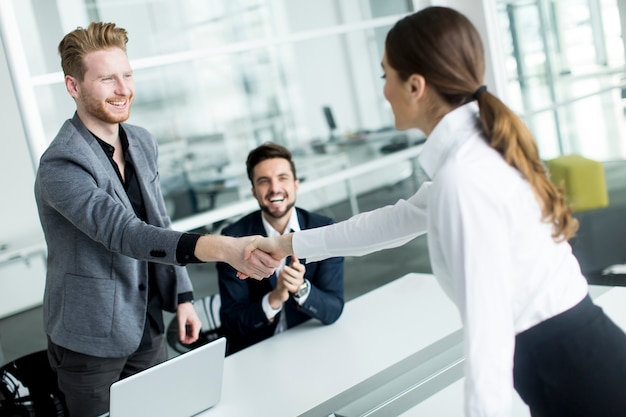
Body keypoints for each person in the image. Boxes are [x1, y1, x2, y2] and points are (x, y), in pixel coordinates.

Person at [246, 7, 626, 417]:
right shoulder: (470, 157)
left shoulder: (464, 177)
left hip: (575, 376)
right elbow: (390, 223)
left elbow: (489, 331)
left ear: (415, 86)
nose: (384, 90)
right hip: (570, 362)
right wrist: (287, 243)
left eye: (385, 75)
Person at [34, 22, 277, 417]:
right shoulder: (61, 163)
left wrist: (182, 298)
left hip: (145, 321)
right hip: (90, 336)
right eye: (107, 78)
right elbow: (123, 232)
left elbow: (158, 219)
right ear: (73, 87)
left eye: (127, 75)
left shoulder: (142, 142)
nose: (123, 88)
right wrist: (222, 248)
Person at [216, 142, 344, 355]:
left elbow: (334, 309)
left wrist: (301, 288)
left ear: (296, 185)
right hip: (257, 352)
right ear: (254, 192)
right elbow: (232, 323)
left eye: (282, 178)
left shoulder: (323, 229)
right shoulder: (234, 238)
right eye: (264, 181)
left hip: (311, 345)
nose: (275, 188)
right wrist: (275, 297)